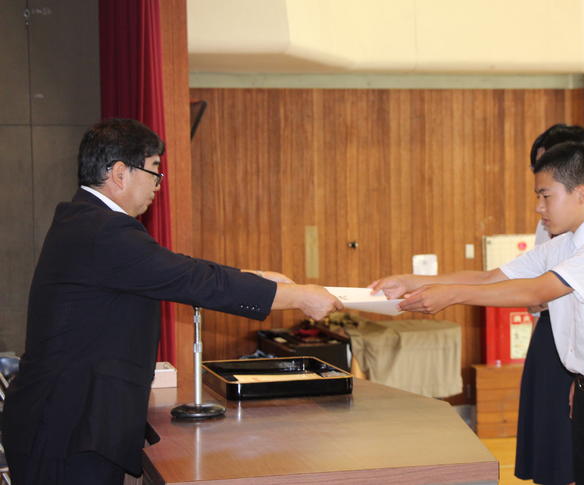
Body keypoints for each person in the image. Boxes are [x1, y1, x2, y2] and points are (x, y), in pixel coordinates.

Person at [1, 118, 344, 485]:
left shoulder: (87, 221)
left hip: (64, 420)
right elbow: (189, 279)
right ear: (120, 173)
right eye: (154, 172)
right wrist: (299, 296)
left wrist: (255, 276)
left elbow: (173, 269)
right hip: (65, 428)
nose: (157, 185)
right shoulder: (102, 229)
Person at [370, 142, 584, 484]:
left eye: (545, 196)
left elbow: (536, 291)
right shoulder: (564, 245)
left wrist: (451, 295)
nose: (539, 207)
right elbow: (491, 277)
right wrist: (413, 281)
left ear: (581, 193)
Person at [512, 124, 584, 485]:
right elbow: (518, 282)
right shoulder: (547, 223)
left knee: (572, 456)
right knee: (550, 457)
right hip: (549, 337)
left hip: (579, 344)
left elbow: (543, 292)